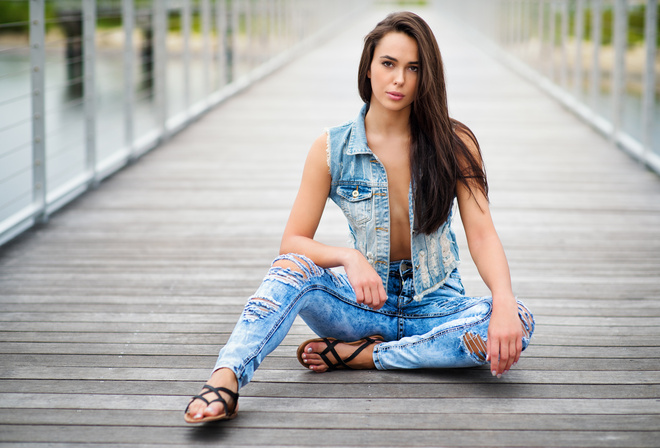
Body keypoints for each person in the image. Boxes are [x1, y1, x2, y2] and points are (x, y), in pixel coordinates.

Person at [184, 11, 535, 424]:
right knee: (290, 269)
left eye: (413, 68)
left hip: (437, 307)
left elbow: (482, 236)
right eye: (388, 64)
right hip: (363, 306)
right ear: (368, 67)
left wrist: (505, 302)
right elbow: (293, 243)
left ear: (428, 76)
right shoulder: (330, 149)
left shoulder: (454, 144)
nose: (399, 80)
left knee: (520, 320)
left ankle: (369, 356)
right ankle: (226, 377)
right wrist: (350, 259)